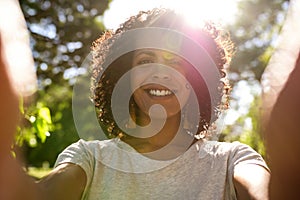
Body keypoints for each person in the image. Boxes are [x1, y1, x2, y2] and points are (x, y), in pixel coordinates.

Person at [1, 8, 270, 200]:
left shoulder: (232, 160)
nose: (161, 73)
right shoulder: (90, 159)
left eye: (176, 61)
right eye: (144, 61)